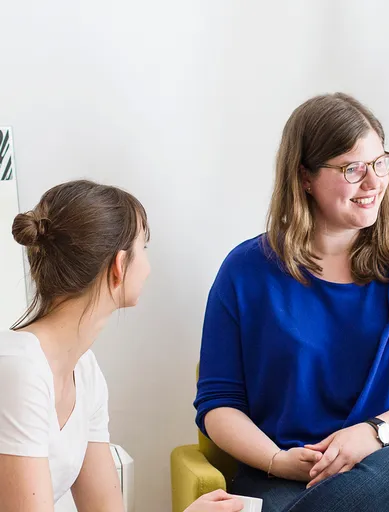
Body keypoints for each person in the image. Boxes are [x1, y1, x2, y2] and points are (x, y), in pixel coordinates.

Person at [194, 93, 389, 512]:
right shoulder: (246, 272)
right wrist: (277, 460)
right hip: (291, 479)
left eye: (380, 163)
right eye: (353, 169)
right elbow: (219, 403)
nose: (373, 182)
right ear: (304, 177)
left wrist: (374, 434)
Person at [0, 180, 243, 512]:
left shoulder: (84, 372)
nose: (149, 267)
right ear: (118, 265)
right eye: (144, 247)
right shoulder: (18, 370)